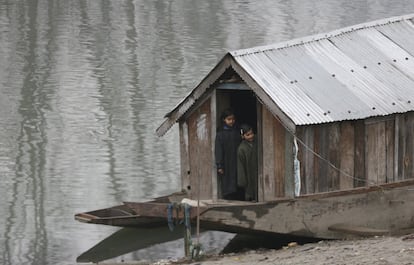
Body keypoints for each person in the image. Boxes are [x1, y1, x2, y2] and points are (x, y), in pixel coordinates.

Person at [215, 109, 241, 200]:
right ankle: (228, 198)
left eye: (233, 119)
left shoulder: (236, 131)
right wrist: (219, 165)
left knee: (237, 179)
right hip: (226, 160)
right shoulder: (220, 134)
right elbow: (218, 150)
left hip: (236, 159)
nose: (231, 121)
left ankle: (238, 197)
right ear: (224, 120)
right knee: (227, 180)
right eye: (229, 119)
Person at [237, 124, 258, 202]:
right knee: (250, 187)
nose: (251, 136)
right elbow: (241, 166)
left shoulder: (258, 141)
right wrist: (242, 181)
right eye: (247, 135)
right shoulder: (241, 149)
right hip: (249, 171)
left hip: (258, 169)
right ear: (243, 136)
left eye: (251, 133)